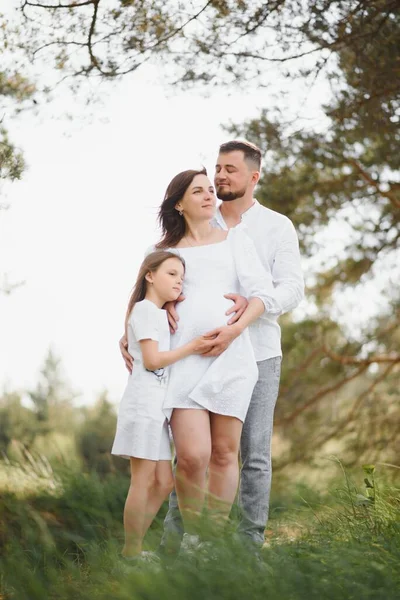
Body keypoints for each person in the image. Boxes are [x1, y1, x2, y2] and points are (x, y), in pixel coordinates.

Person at [158, 140, 304, 553]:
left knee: (252, 454)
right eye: (217, 168)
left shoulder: (276, 226)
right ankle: (178, 545)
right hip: (197, 355)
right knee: (191, 454)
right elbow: (166, 275)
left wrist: (251, 309)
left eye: (230, 170)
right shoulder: (200, 219)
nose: (220, 177)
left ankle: (247, 548)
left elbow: (291, 288)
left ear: (253, 177)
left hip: (256, 352)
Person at [111, 250, 214, 562]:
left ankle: (132, 549)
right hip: (143, 405)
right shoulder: (144, 310)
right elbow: (153, 360)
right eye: (171, 274)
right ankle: (130, 556)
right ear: (150, 275)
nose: (178, 281)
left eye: (181, 277)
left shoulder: (156, 312)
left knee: (164, 481)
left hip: (158, 409)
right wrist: (192, 347)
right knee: (142, 480)